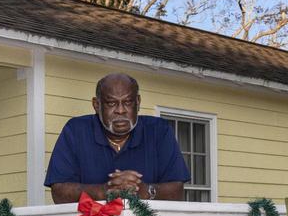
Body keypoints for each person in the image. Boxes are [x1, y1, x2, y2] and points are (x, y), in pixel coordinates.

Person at [45, 73, 190, 204]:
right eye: (111, 103)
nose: (120, 110)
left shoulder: (159, 130)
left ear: (138, 102)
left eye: (127, 102)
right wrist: (104, 191)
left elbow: (177, 190)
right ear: (96, 105)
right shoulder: (75, 130)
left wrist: (145, 191)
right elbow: (59, 192)